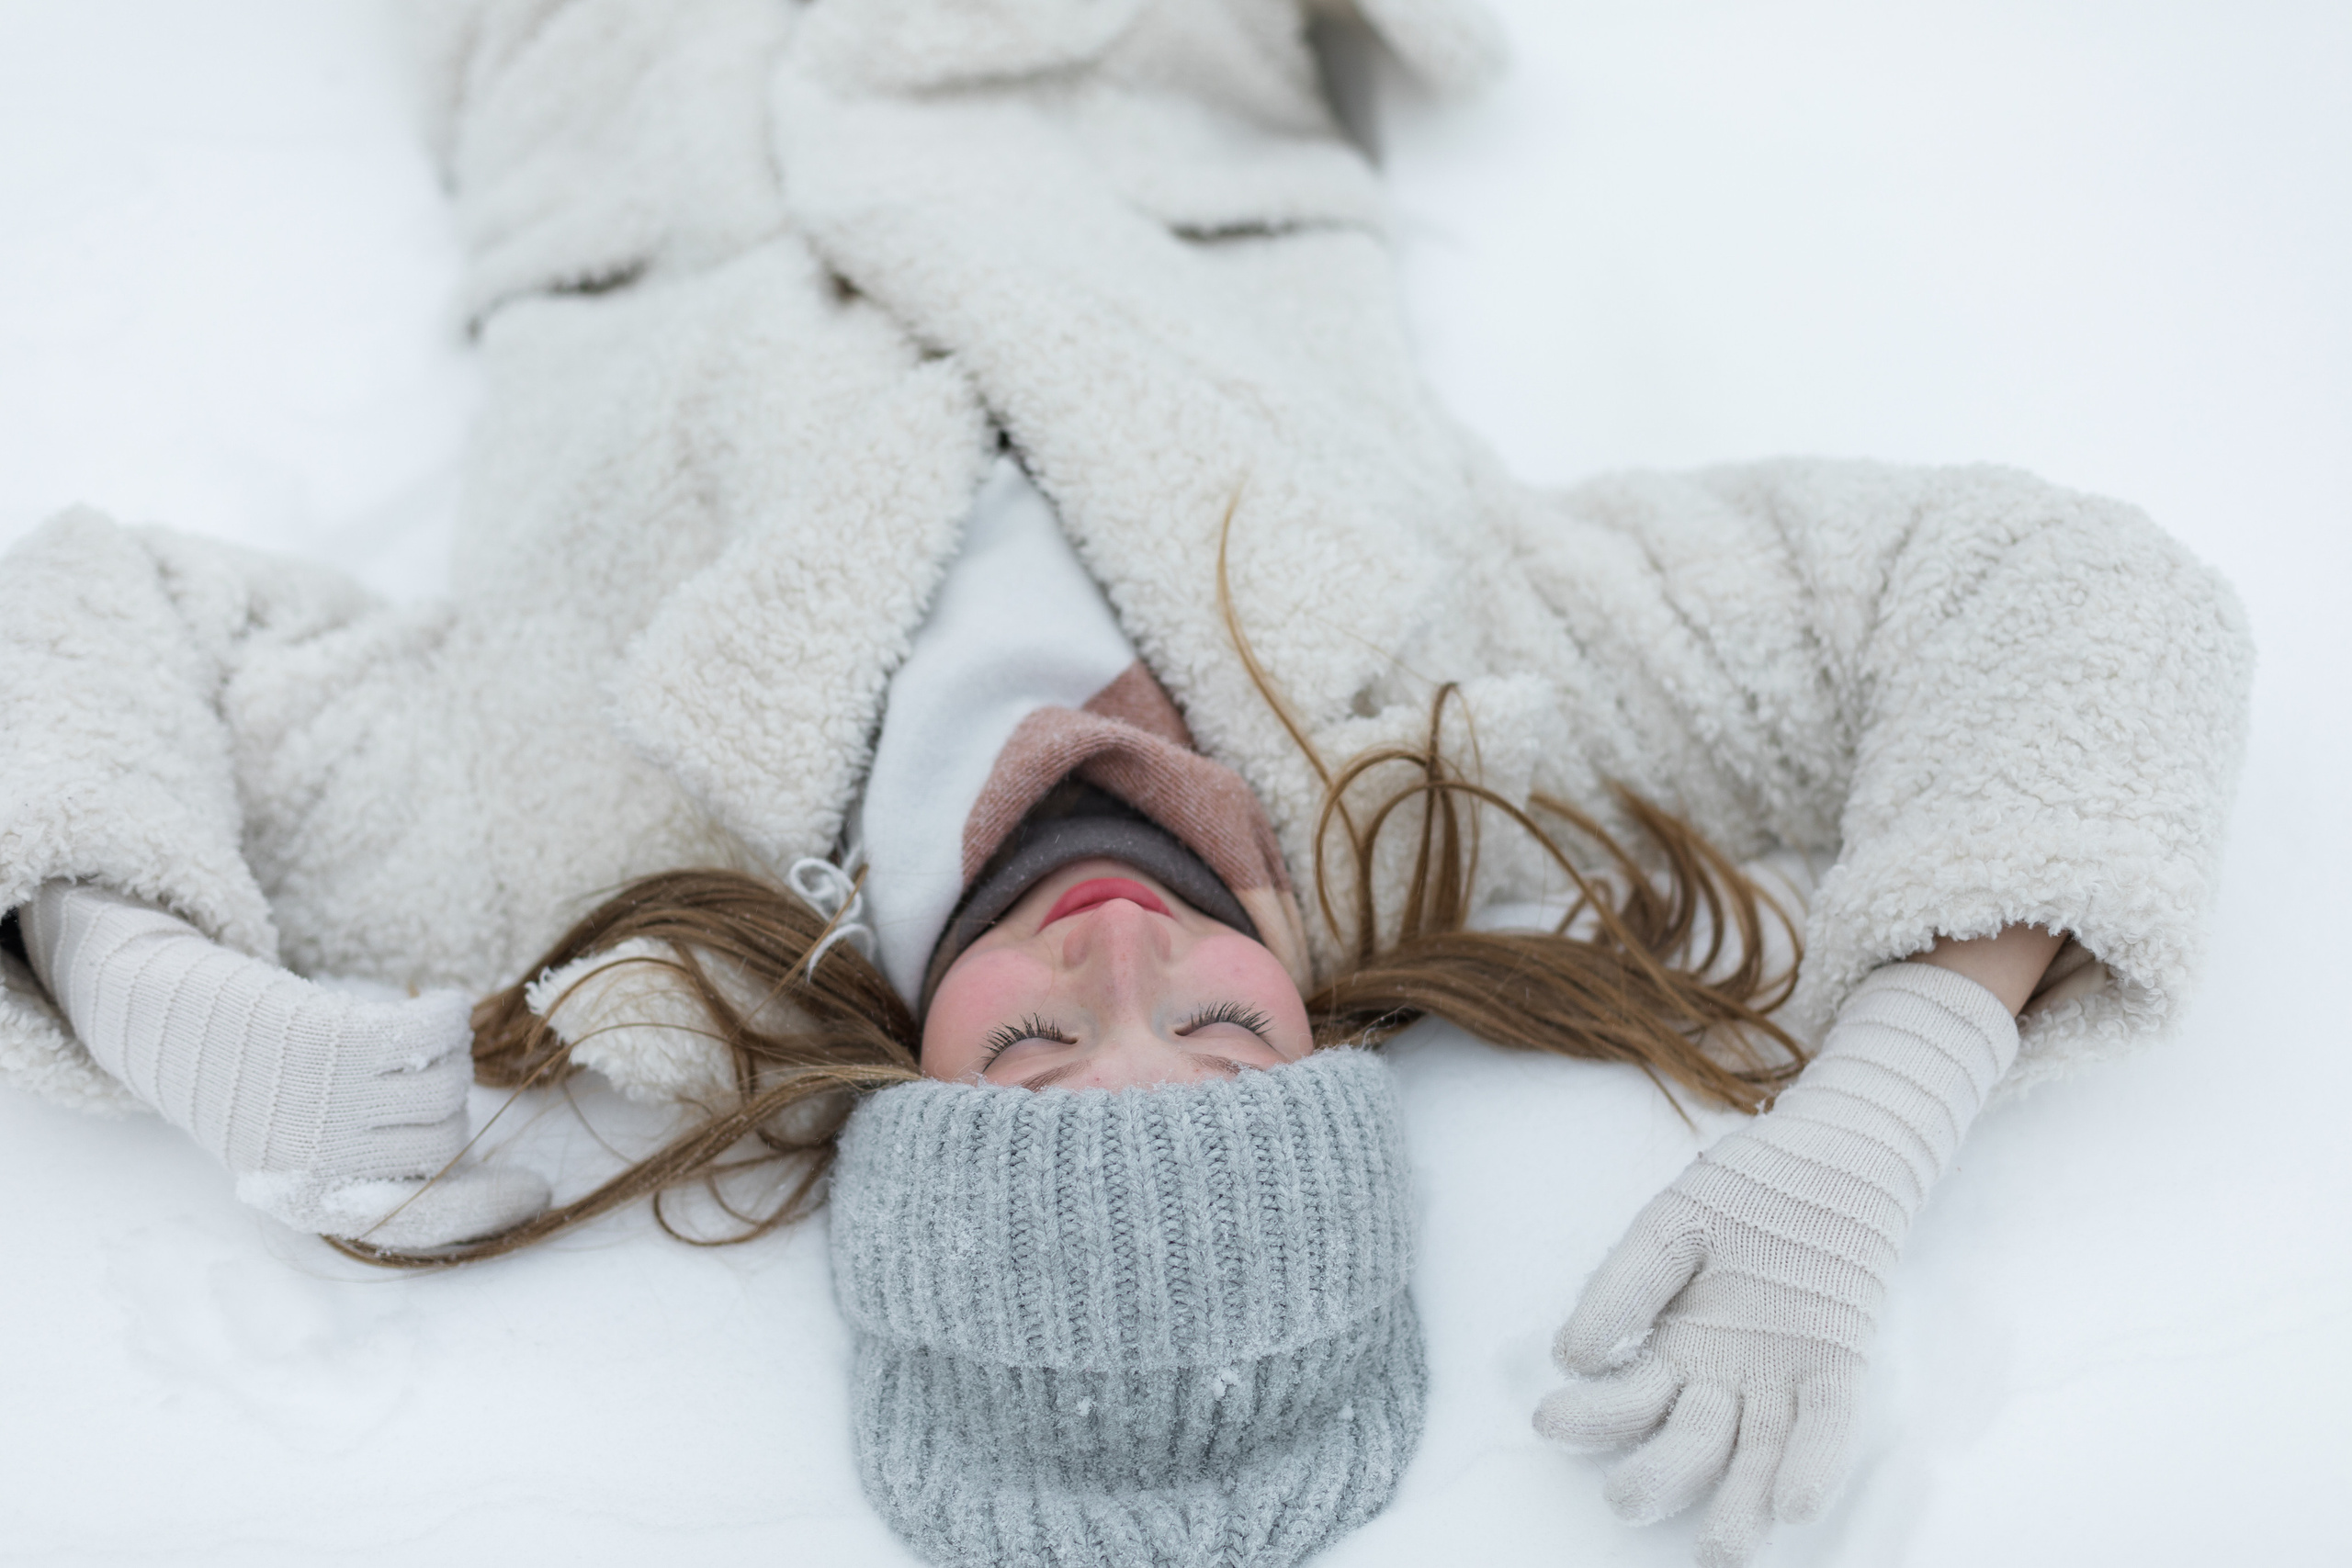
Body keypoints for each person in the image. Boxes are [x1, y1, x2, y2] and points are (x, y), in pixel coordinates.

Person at [0, 1, 2251, 1563]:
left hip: (631, 92)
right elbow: (2066, 600)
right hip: (1135, 80)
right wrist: (1892, 1093)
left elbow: (88, 628)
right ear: (1323, 1013)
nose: (1118, 954)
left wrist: (150, 991)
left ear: (901, 1106)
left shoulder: (567, 828)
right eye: (1227, 1029)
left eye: (1039, 1062)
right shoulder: (1475, 721)